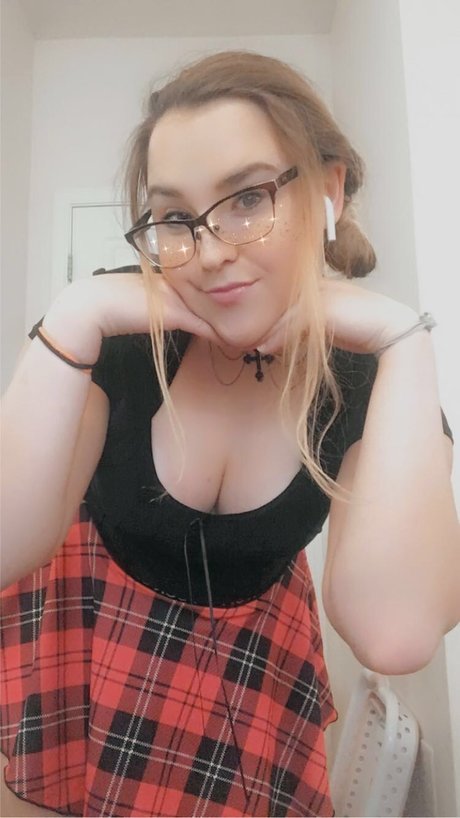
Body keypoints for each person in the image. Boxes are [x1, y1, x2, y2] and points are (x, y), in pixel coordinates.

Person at [1, 50, 459, 818]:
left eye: (247, 199)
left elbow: (397, 635)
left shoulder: (371, 384)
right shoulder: (117, 342)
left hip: (249, 692)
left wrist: (405, 341)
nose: (211, 252)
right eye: (174, 218)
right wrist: (75, 315)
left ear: (328, 191)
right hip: (87, 653)